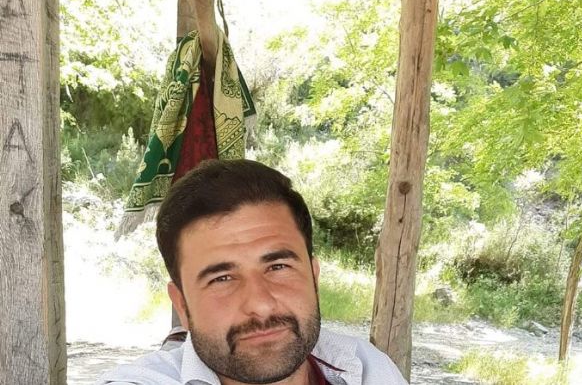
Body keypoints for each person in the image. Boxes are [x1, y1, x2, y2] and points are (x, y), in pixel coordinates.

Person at [96, 159, 408, 385]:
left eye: (278, 267)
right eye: (221, 278)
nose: (260, 304)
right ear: (182, 305)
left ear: (313, 278)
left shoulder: (368, 370)